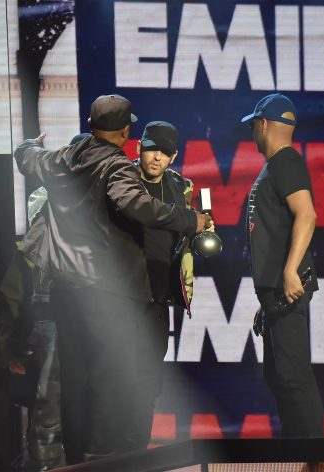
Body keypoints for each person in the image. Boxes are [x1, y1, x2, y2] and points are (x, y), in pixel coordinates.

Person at [14, 94, 211, 463]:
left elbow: (27, 159)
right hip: (103, 292)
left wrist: (27, 144)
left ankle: (78, 457)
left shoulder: (63, 158)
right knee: (110, 377)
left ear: (89, 125)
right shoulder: (117, 166)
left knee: (77, 378)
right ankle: (102, 459)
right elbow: (137, 205)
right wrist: (190, 219)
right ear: (126, 133)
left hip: (65, 289)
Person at [241, 94, 324, 438]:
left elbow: (307, 214)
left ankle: (314, 458)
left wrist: (290, 272)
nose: (252, 133)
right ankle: (296, 452)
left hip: (287, 287)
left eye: (253, 126)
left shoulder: (285, 161)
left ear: (262, 124)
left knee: (294, 377)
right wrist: (268, 298)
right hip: (276, 292)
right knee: (279, 377)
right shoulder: (277, 164)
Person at [130, 120, 197, 449]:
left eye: (165, 152)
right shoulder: (120, 180)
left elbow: (189, 233)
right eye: (152, 148)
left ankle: (136, 455)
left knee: (148, 381)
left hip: (156, 298)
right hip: (119, 296)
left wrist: (200, 237)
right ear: (138, 147)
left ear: (174, 156)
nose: (156, 157)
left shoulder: (179, 187)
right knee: (113, 378)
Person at [0, 187, 62, 471]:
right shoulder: (27, 255)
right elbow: (9, 302)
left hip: (71, 337)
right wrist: (9, 350)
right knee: (45, 406)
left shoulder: (79, 252)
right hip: (41, 340)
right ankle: (42, 463)